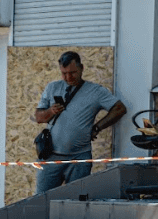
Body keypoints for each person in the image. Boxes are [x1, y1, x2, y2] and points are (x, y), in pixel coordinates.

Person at [34, 51, 126, 194]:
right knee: (41, 199)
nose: (68, 77)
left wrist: (98, 127)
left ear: (82, 68)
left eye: (73, 72)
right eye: (64, 73)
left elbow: (119, 109)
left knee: (77, 200)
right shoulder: (52, 87)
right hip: (50, 156)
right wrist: (51, 111)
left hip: (79, 157)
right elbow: (39, 117)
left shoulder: (95, 91)